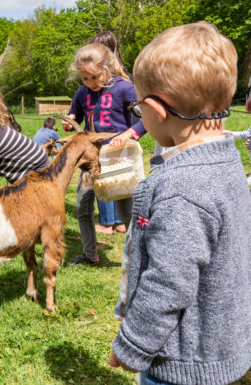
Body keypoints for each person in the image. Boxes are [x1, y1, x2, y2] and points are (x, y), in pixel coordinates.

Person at [108, 22, 251, 384]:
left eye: (139, 109)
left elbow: (169, 283)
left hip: (182, 364)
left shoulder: (182, 189)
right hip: (219, 346)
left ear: (156, 109)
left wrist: (132, 346)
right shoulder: (227, 160)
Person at [62, 43, 146, 266]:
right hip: (91, 159)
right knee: (82, 208)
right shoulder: (83, 92)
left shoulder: (126, 89)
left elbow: (147, 118)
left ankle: (136, 258)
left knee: (127, 212)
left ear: (108, 67)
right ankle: (90, 254)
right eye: (84, 78)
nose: (90, 83)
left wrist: (129, 133)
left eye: (94, 77)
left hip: (118, 161)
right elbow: (77, 114)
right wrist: (71, 121)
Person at [90, 31, 131, 236]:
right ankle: (119, 222)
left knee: (106, 180)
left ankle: (108, 223)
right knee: (117, 181)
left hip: (109, 141)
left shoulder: (118, 84)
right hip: (115, 140)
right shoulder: (118, 79)